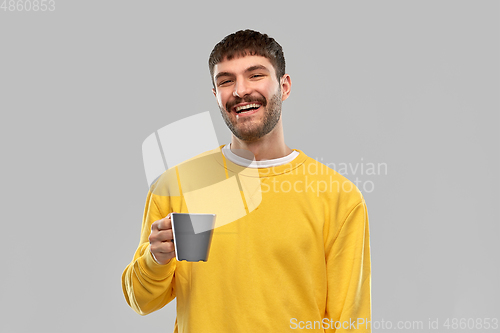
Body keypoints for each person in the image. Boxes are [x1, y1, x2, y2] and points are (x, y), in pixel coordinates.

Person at [122, 29, 371, 332]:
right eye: (226, 81)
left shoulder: (338, 197)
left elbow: (351, 321)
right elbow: (140, 300)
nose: (240, 90)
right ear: (216, 95)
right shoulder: (177, 184)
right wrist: (156, 260)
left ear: (285, 85)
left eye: (255, 75)